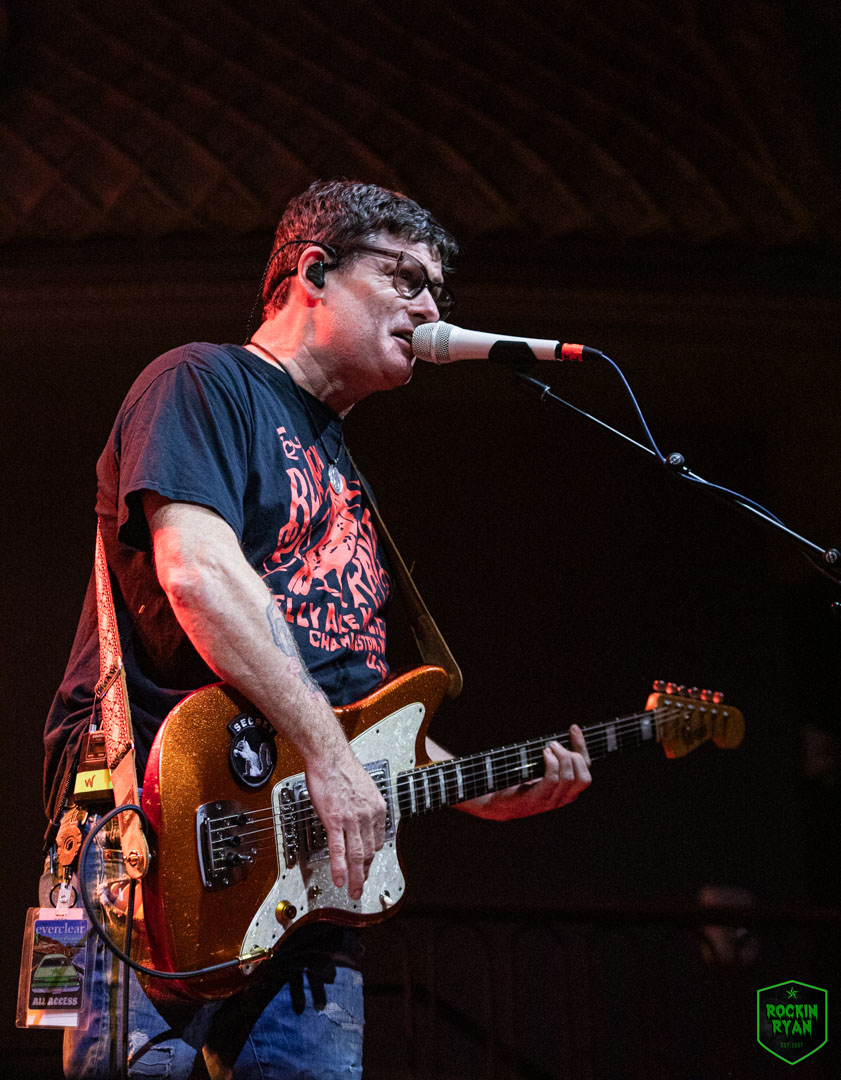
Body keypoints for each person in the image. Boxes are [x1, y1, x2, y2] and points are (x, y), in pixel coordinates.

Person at [42, 179, 592, 1079]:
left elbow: (350, 709)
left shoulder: (343, 469)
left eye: (438, 292)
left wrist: (480, 787)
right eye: (405, 278)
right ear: (312, 271)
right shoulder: (200, 382)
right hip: (148, 832)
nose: (430, 307)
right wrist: (331, 759)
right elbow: (197, 574)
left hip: (310, 869)